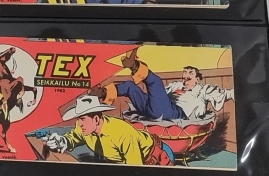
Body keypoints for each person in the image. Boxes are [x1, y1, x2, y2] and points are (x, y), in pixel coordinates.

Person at [91, 47, 233, 121]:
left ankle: (134, 65)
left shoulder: (204, 89)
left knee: (156, 82)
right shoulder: (176, 85)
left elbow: (226, 94)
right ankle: (103, 93)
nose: (186, 75)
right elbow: (159, 96)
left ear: (197, 77)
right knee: (129, 86)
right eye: (185, 72)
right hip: (156, 109)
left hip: (177, 114)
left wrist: (237, 92)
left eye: (190, 73)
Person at [42, 94, 175, 166]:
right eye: (78, 119)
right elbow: (74, 138)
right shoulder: (83, 127)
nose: (79, 124)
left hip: (156, 158)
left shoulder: (121, 133)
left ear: (96, 119)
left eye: (82, 119)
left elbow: (135, 169)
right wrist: (63, 141)